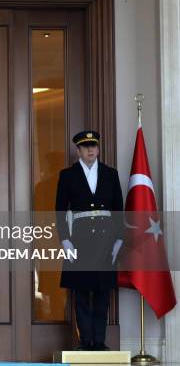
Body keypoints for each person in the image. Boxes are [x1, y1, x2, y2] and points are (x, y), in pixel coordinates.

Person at [55, 131, 123, 351]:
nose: (91, 149)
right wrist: (65, 240)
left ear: (98, 148)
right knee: (82, 292)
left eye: (94, 145)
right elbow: (59, 210)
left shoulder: (111, 174)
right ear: (78, 151)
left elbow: (118, 210)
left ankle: (99, 342)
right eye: (85, 146)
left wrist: (119, 240)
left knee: (103, 292)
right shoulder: (68, 175)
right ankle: (85, 341)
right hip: (80, 241)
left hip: (106, 241)